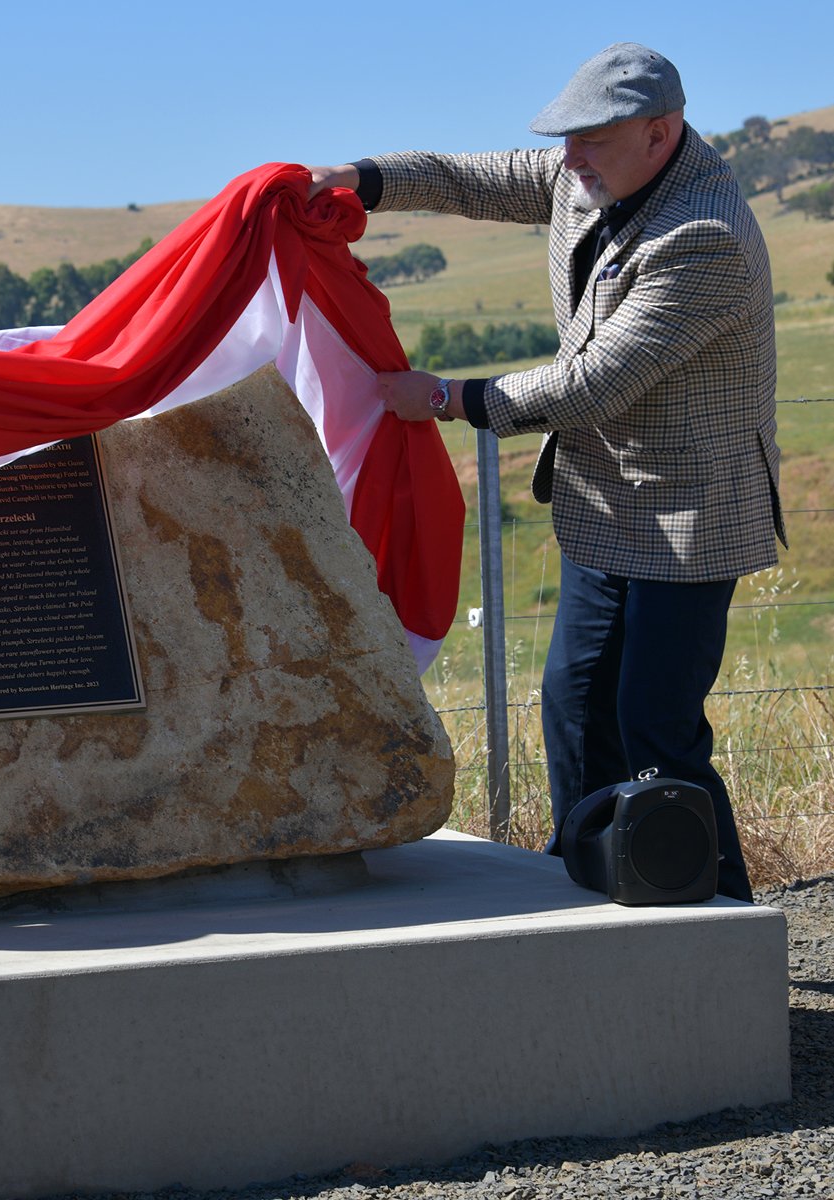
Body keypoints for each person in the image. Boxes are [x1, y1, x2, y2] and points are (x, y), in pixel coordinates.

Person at [307, 43, 784, 903]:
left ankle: (718, 918)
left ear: (658, 132)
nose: (566, 160)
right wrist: (356, 178)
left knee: (656, 733)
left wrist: (447, 397)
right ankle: (595, 886)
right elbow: (463, 179)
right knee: (572, 709)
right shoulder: (591, 173)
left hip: (689, 518)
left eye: (588, 140)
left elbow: (593, 383)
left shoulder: (702, 235)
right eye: (562, 140)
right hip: (602, 508)